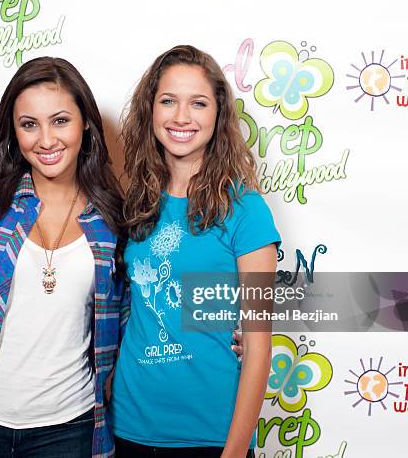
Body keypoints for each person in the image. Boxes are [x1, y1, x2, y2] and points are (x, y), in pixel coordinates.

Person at [0, 57, 129, 458]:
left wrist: (230, 323)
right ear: (13, 130)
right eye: (29, 124)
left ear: (85, 122)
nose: (46, 140)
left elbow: (134, 312)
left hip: (72, 425)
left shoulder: (112, 218)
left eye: (61, 121)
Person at [110, 45, 281, 458]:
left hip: (212, 435)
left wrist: (235, 451)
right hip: (130, 427)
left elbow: (258, 348)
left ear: (218, 115)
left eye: (198, 103)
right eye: (168, 101)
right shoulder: (135, 203)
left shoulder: (246, 210)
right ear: (150, 110)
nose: (181, 117)